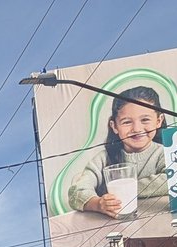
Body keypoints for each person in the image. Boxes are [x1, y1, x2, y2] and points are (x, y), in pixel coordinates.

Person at [67, 86, 170, 218]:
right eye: (127, 122)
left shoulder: (165, 153)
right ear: (114, 126)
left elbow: (171, 181)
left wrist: (122, 191)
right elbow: (76, 192)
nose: (137, 129)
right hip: (111, 226)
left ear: (158, 121)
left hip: (156, 223)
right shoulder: (104, 159)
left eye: (145, 120)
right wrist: (98, 203)